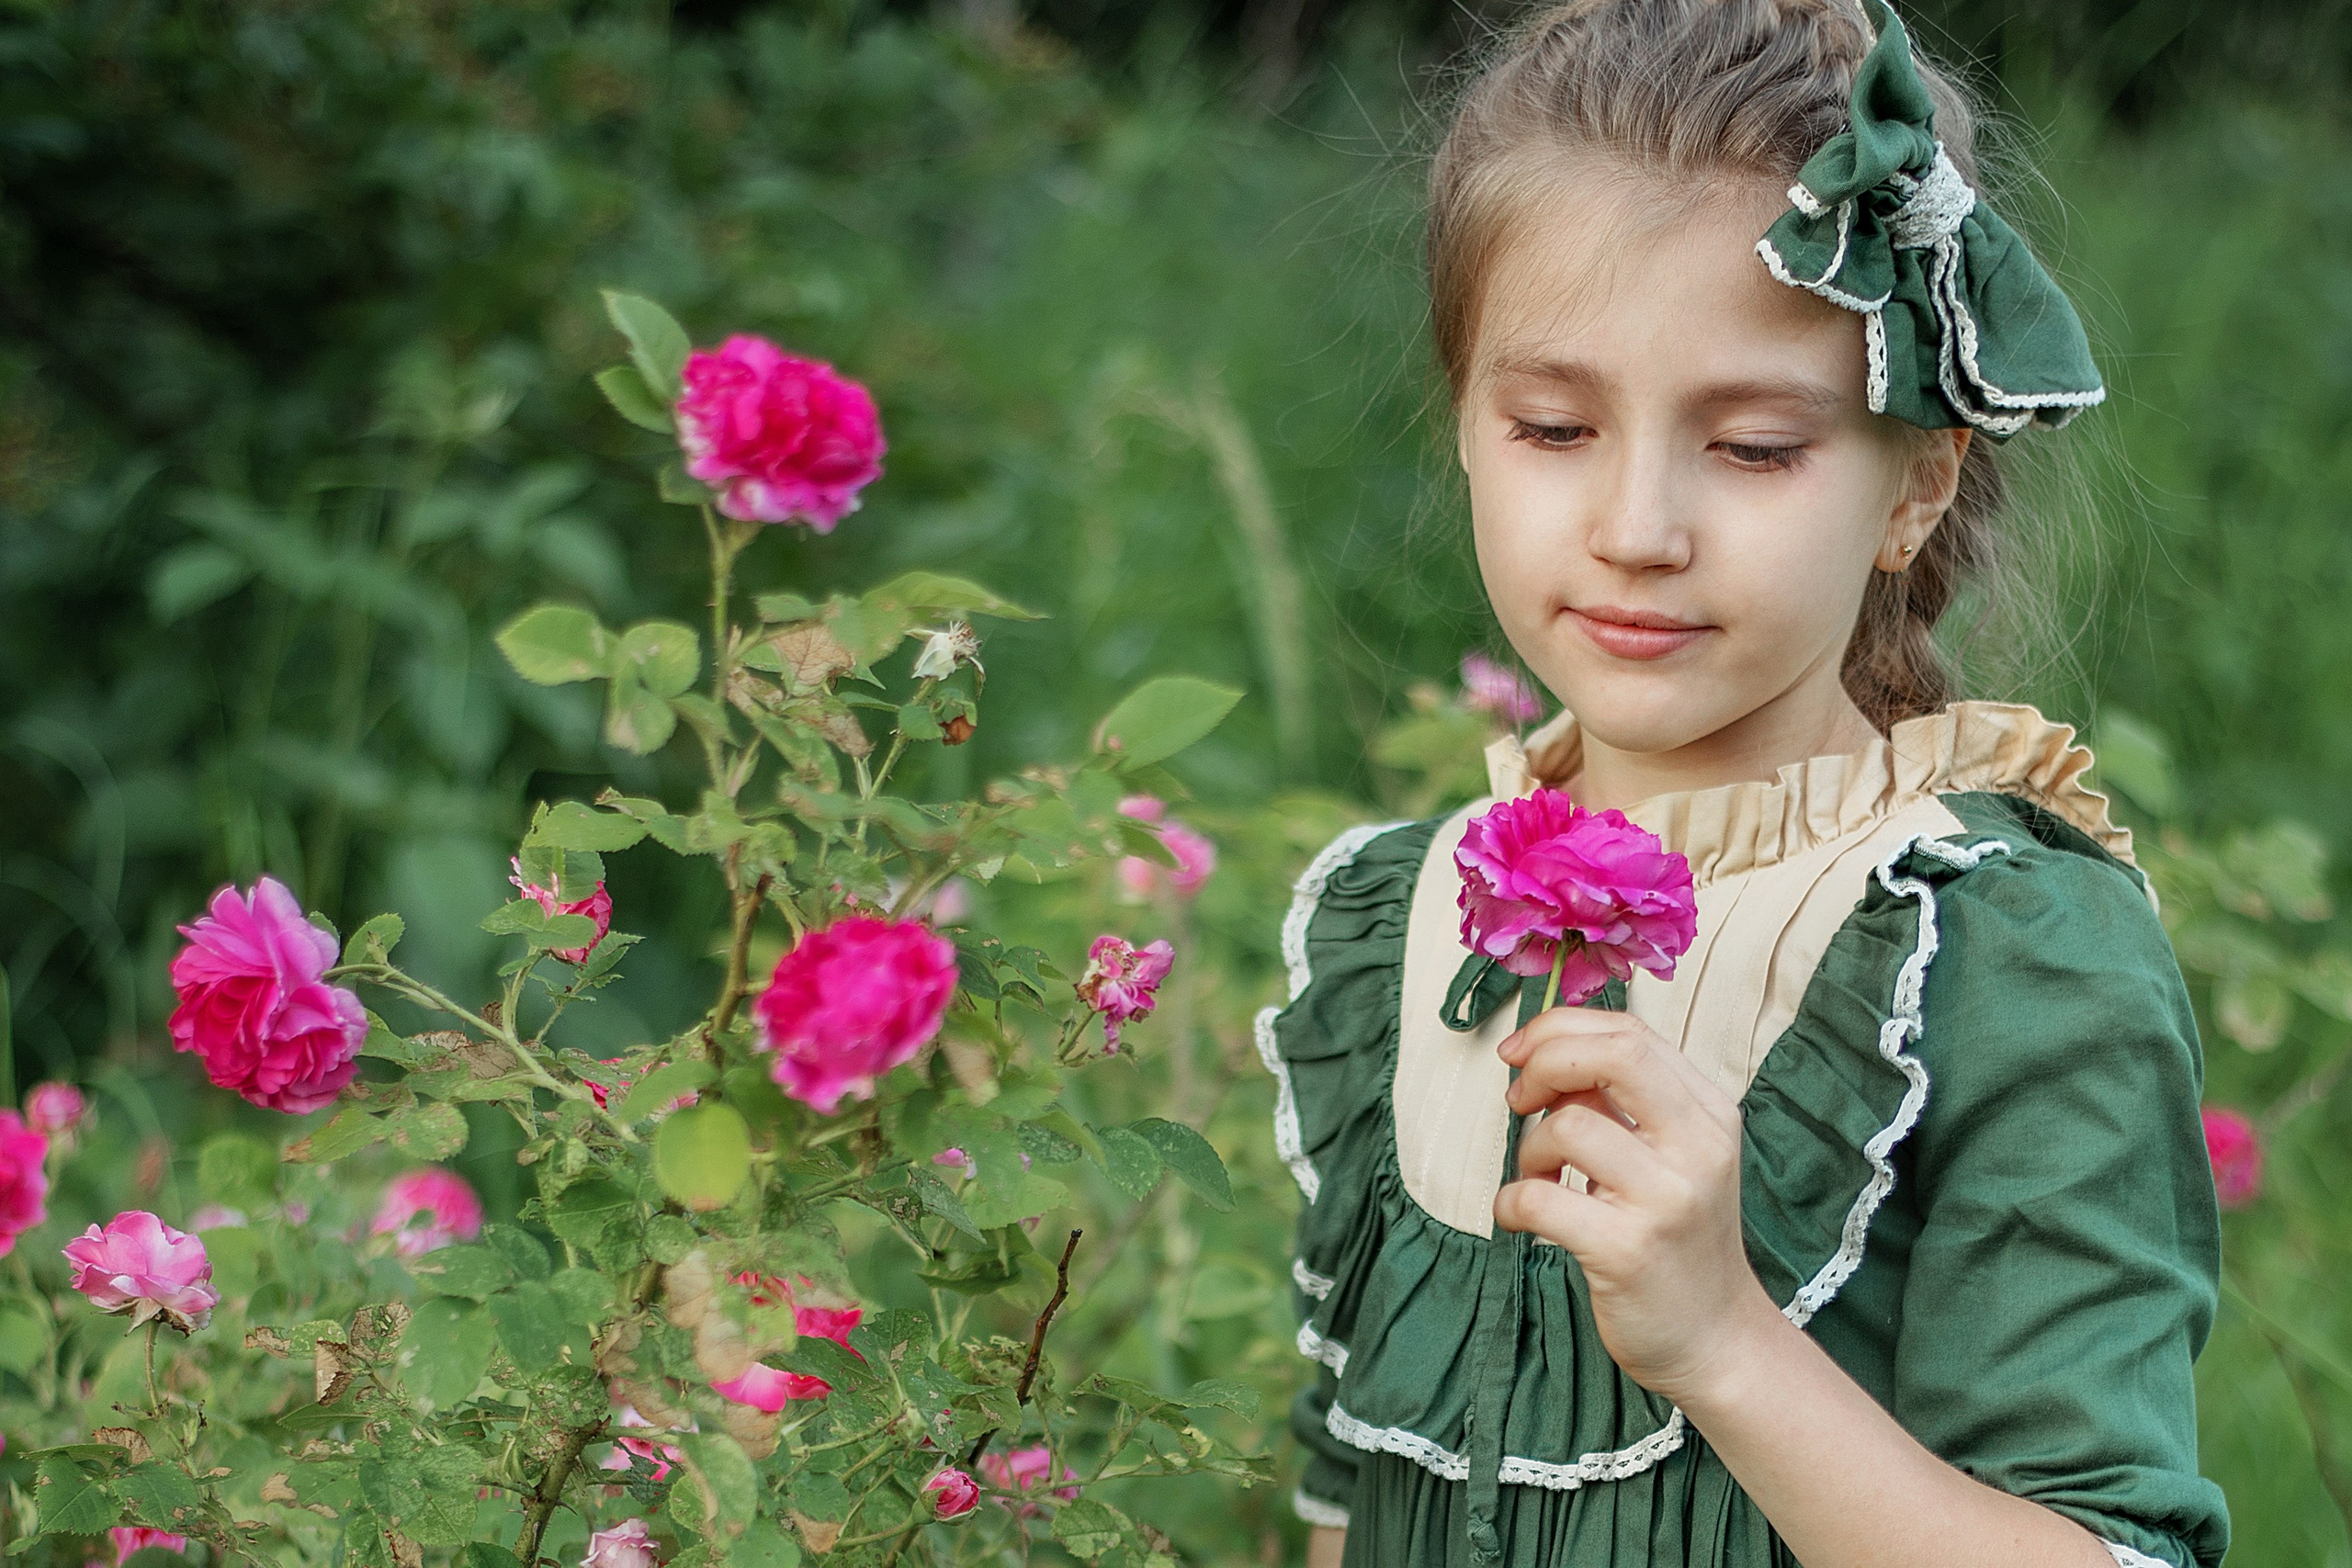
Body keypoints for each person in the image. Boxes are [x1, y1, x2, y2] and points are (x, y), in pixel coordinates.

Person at [1260, 2, 2230, 1564]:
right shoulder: (1393, 929)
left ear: (1919, 483)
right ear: (1466, 428)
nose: (1638, 529)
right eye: (1555, 426)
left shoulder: (2000, 956)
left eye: (1758, 446)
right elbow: (1348, 1502)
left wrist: (1723, 1342)